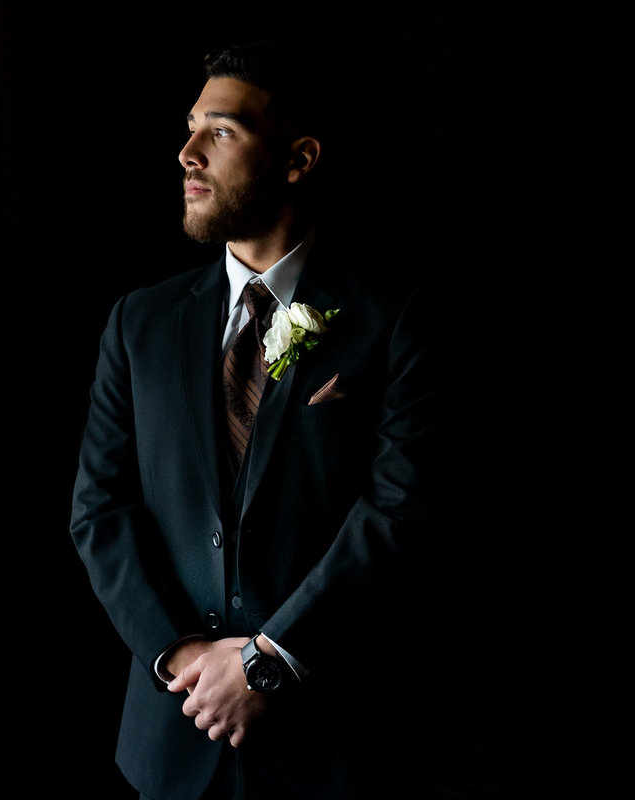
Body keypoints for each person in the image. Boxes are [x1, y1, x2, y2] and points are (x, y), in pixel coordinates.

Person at [70, 40, 451, 799]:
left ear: (298, 159)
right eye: (188, 129)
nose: (186, 154)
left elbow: (401, 511)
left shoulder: (393, 319)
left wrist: (270, 658)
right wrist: (183, 658)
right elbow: (99, 510)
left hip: (335, 747)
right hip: (175, 740)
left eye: (221, 131)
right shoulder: (138, 325)